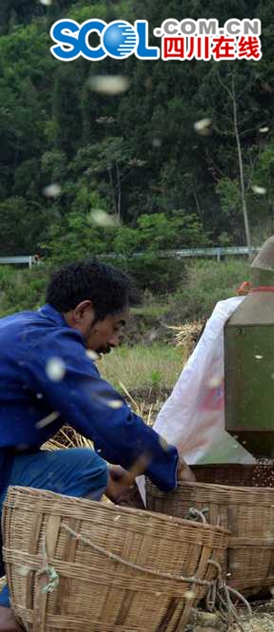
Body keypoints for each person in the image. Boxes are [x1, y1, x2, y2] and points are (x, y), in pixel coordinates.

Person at [0, 261, 194, 631]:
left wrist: (111, 473)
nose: (115, 341)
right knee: (85, 466)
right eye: (116, 327)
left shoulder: (21, 328)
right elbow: (110, 421)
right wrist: (173, 465)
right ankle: (10, 611)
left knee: (91, 470)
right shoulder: (50, 344)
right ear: (83, 312)